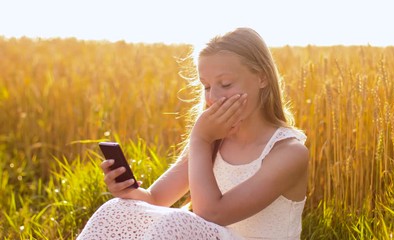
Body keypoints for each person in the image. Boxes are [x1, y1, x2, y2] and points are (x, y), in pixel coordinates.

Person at [77, 27, 309, 240]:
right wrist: (128, 191)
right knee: (117, 209)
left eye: (226, 84)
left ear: (262, 78)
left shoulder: (288, 153)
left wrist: (200, 139)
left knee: (179, 221)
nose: (213, 97)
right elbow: (156, 200)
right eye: (206, 86)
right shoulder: (215, 142)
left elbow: (211, 214)